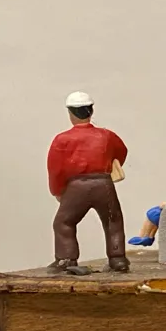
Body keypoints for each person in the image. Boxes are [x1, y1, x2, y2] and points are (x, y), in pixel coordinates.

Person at [47, 91, 129, 274]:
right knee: (113, 221)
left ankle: (66, 258)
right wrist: (111, 165)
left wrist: (58, 190)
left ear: (70, 113)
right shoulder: (107, 135)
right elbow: (121, 151)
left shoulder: (62, 139)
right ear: (91, 111)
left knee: (64, 222)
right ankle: (118, 259)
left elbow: (55, 168)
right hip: (104, 184)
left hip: (77, 187)